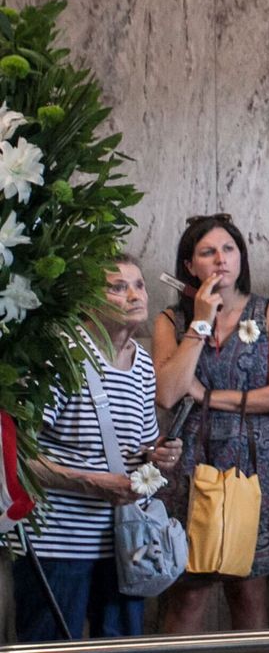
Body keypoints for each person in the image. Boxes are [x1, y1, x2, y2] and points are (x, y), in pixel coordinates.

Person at [8, 254, 184, 641]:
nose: (134, 295)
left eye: (138, 285)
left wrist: (159, 455)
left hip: (126, 545)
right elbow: (16, 457)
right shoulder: (62, 357)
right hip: (57, 542)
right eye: (117, 287)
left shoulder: (141, 365)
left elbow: (141, 447)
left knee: (122, 646)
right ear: (87, 299)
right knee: (50, 647)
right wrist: (91, 483)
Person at [151, 213, 269, 632]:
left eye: (229, 249)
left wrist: (209, 396)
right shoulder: (170, 321)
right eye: (207, 252)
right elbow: (167, 392)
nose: (220, 260)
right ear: (189, 266)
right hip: (189, 465)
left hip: (256, 463)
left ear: (241, 257)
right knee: (187, 595)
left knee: (249, 593)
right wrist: (200, 320)